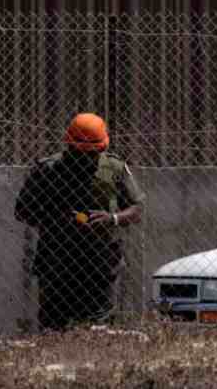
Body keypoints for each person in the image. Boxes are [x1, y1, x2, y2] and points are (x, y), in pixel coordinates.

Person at [14, 112, 145, 332]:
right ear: (69, 146)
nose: (86, 159)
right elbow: (22, 211)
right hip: (57, 262)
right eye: (79, 153)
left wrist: (111, 218)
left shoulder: (114, 168)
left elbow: (137, 208)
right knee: (54, 328)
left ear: (102, 148)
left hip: (99, 263)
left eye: (92, 154)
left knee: (98, 328)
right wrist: (57, 218)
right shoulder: (47, 170)